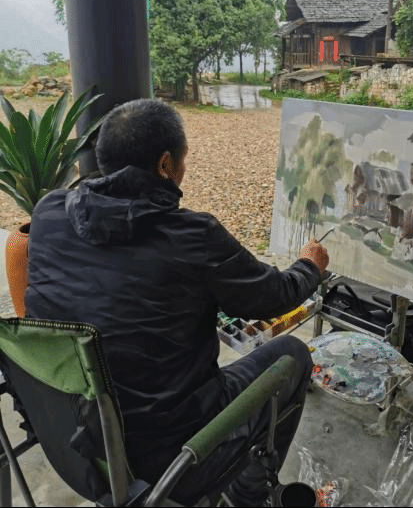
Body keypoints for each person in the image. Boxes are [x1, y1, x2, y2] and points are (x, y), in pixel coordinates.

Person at [25, 98, 329, 506]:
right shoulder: (192, 237)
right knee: (293, 354)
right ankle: (247, 497)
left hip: (80, 444)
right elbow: (274, 296)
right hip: (171, 459)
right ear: (166, 165)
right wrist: (309, 266)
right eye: (183, 161)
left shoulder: (48, 213)